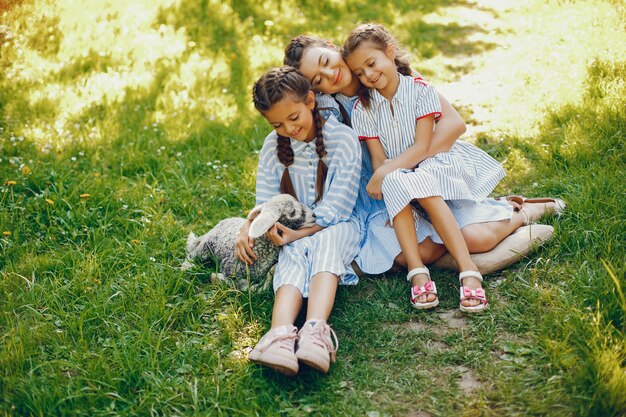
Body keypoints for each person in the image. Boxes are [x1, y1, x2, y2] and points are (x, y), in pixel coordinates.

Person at [284, 31, 564, 312]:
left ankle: (520, 211)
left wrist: (409, 174)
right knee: (409, 254)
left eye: (326, 61)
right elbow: (288, 124)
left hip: (430, 168)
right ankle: (445, 248)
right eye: (318, 79)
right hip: (386, 193)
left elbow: (453, 125)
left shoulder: (392, 72)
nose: (329, 73)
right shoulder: (330, 109)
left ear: (332, 48)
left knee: (477, 239)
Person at [236, 66, 361, 375]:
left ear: (310, 100)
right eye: (277, 124)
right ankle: (279, 334)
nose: (289, 129)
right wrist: (248, 225)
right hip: (293, 230)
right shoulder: (272, 146)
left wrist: (297, 235)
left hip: (339, 225)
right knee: (291, 254)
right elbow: (266, 202)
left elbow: (338, 211)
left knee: (325, 244)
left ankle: (315, 331)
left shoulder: (342, 140)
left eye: (294, 118)